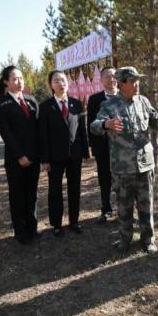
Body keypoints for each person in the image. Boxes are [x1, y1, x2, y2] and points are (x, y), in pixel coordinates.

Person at [89, 66, 158, 254]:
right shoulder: (108, 106)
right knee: (124, 206)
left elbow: (155, 123)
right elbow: (94, 126)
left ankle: (148, 240)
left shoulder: (143, 101)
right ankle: (125, 239)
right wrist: (106, 124)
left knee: (146, 204)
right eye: (133, 81)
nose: (137, 84)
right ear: (121, 84)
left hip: (145, 164)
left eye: (138, 80)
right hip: (122, 167)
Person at [39, 70, 90, 237]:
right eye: (56, 81)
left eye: (63, 80)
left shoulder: (77, 103)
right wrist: (44, 159)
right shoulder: (45, 107)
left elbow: (82, 130)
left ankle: (74, 221)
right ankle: (56, 224)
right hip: (54, 157)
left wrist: (85, 153)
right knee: (55, 191)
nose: (61, 83)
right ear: (51, 85)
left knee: (74, 188)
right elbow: (43, 136)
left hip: (74, 156)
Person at [0, 66, 41, 245]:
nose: (19, 81)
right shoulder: (2, 104)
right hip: (16, 159)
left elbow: (38, 129)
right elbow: (6, 133)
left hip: (34, 156)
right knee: (17, 195)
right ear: (6, 82)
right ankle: (20, 232)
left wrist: (38, 154)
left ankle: (33, 228)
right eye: (15, 79)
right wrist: (20, 155)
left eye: (21, 78)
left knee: (32, 194)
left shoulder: (31, 100)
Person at [87, 66, 118, 223]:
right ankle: (106, 209)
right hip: (103, 147)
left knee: (124, 180)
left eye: (114, 76)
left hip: (123, 149)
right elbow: (90, 125)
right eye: (107, 76)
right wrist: (93, 147)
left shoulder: (126, 96)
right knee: (105, 179)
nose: (111, 79)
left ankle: (125, 209)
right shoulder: (94, 99)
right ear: (101, 80)